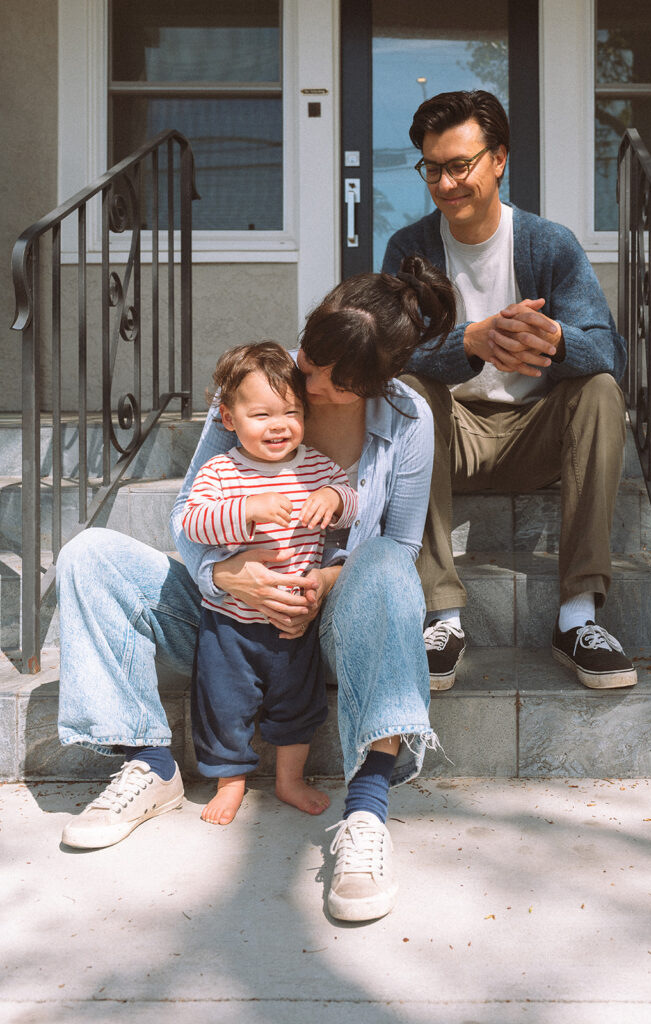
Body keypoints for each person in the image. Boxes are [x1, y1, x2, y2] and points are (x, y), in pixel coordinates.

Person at [56, 254, 457, 923]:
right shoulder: (258, 384)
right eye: (311, 354)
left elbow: (401, 545)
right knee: (87, 554)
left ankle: (365, 813)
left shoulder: (409, 419)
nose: (311, 378)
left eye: (334, 380)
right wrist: (226, 572)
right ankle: (150, 763)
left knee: (386, 568)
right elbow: (190, 516)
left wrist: (323, 581)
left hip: (327, 625)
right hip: (224, 618)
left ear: (375, 382)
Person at [383, 89, 637, 692]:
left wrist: (552, 339)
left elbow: (610, 352)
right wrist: (471, 341)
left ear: (498, 159)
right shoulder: (409, 249)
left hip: (537, 438)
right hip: (452, 437)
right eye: (432, 168)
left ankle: (578, 618)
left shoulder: (549, 244)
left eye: (459, 165)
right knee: (410, 387)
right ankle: (441, 616)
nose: (445, 183)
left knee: (599, 390)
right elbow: (387, 357)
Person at [182, 341, 357, 825]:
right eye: (261, 414)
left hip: (293, 621)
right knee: (223, 703)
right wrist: (246, 510)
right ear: (229, 419)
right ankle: (231, 781)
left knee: (297, 705)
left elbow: (355, 500)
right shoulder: (221, 471)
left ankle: (289, 779)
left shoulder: (316, 467)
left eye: (291, 411)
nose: (279, 425)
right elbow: (193, 523)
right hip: (229, 623)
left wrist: (335, 498)